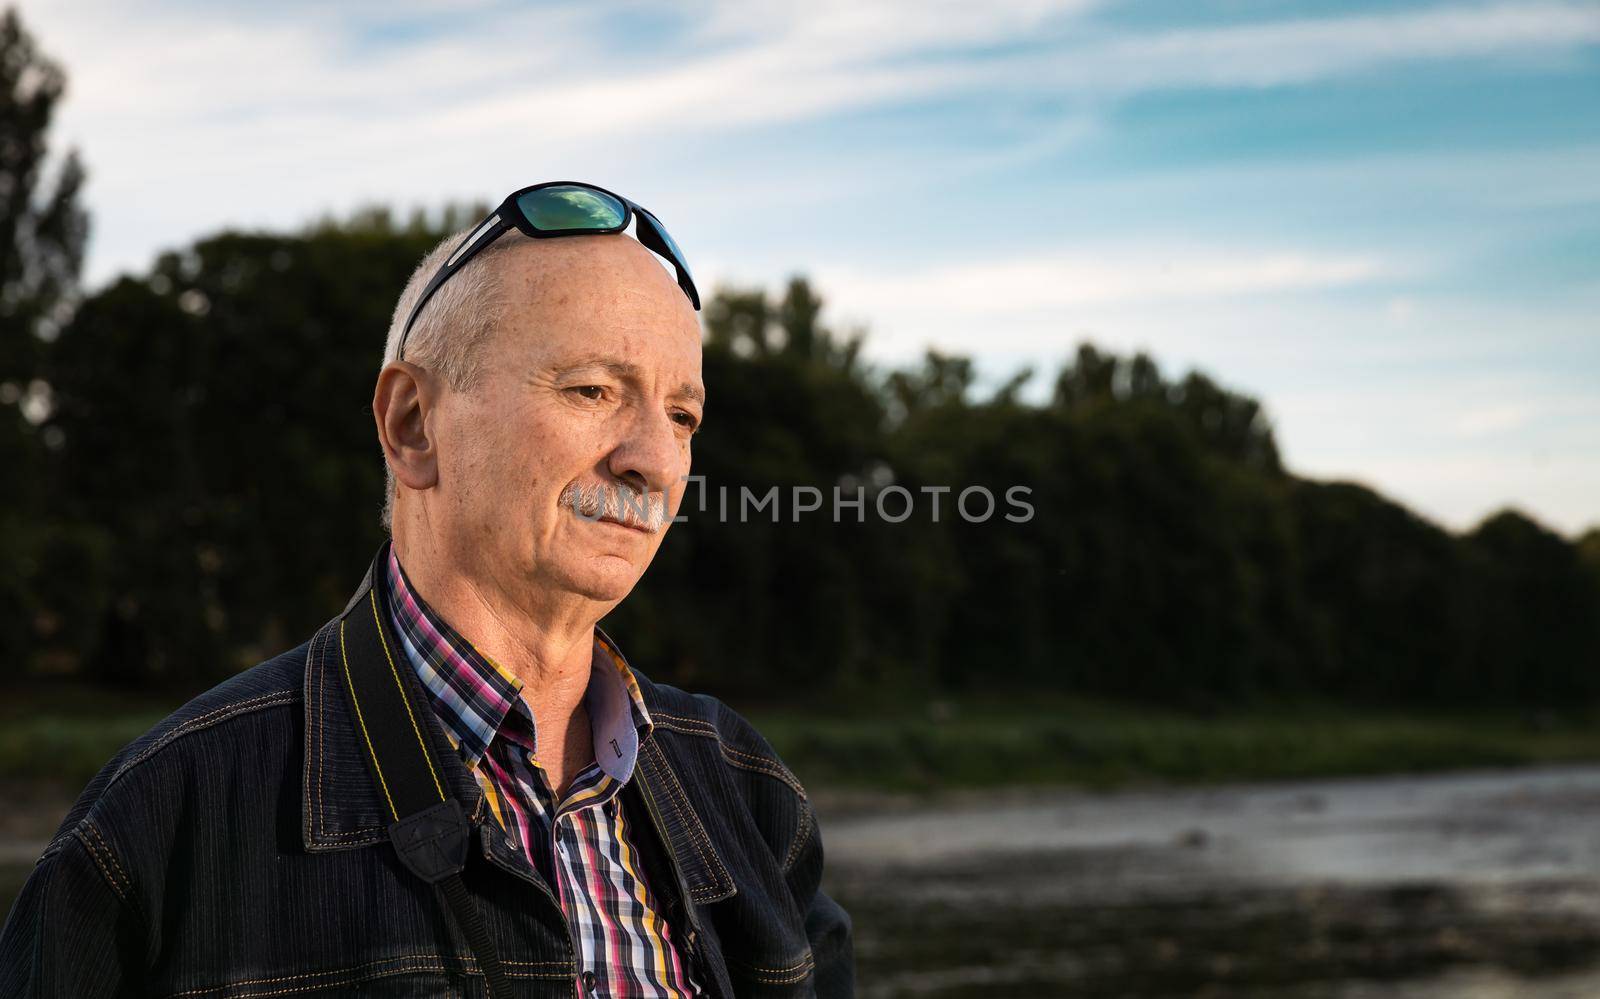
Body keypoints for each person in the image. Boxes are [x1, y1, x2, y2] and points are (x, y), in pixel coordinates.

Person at [0, 182, 854, 997]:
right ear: (412, 424)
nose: (657, 462)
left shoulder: (747, 788)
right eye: (594, 389)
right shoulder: (165, 815)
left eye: (682, 416)